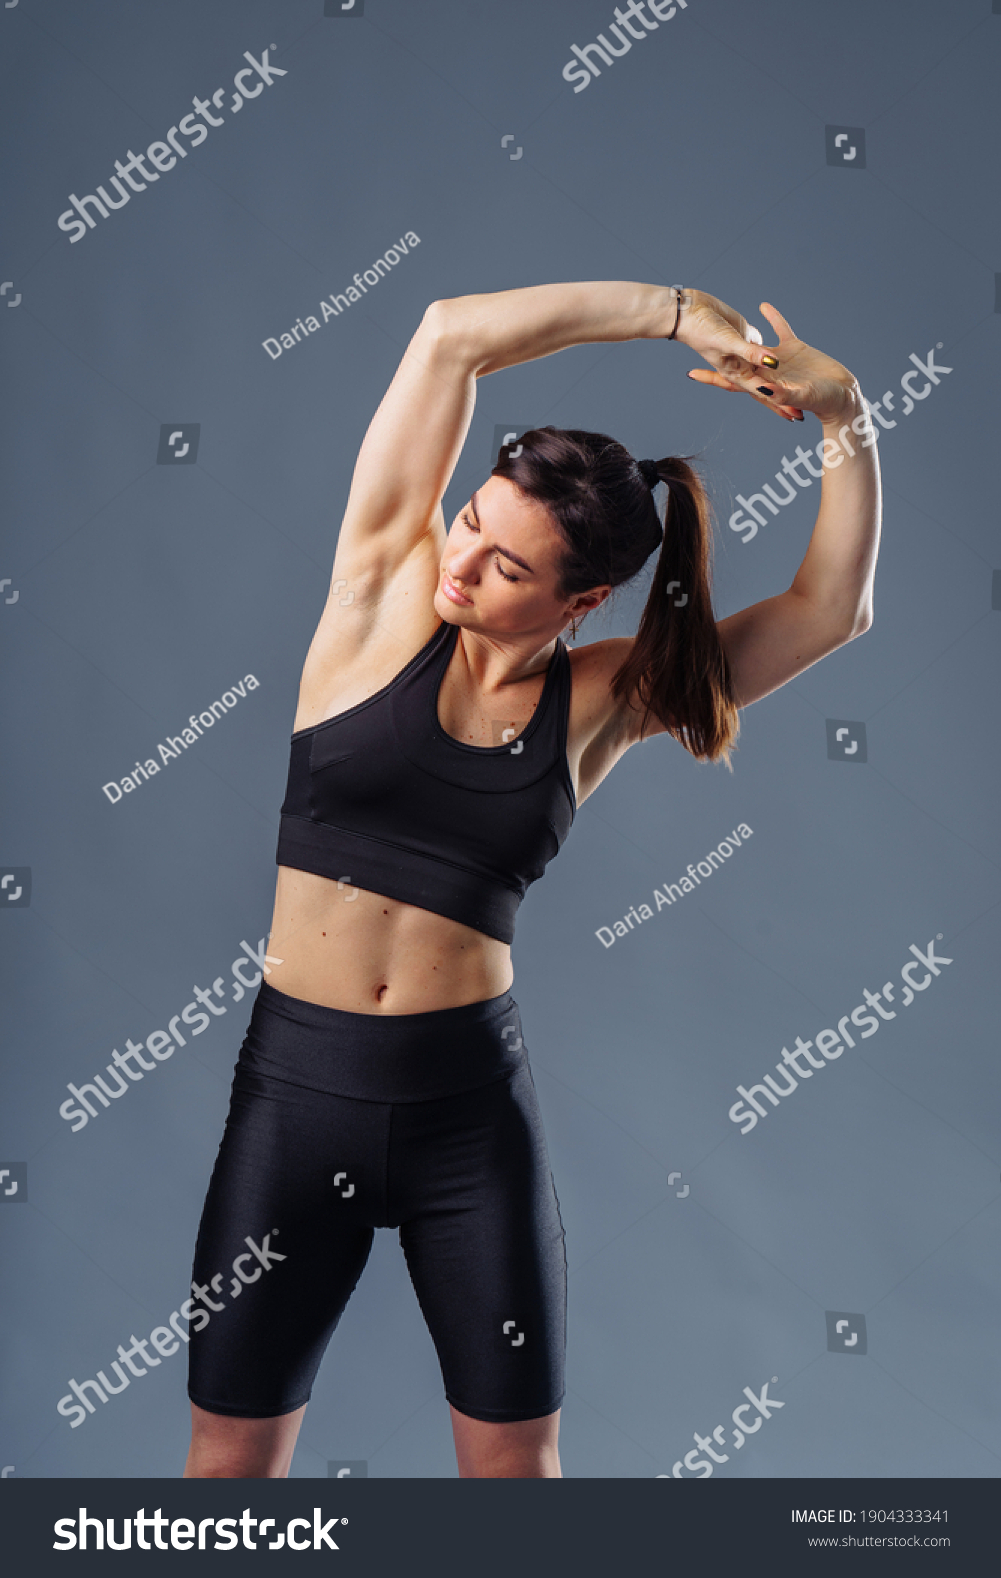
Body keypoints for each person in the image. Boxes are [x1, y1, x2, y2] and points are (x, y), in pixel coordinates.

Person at [182, 282, 880, 1479]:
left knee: (514, 1468)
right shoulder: (373, 605)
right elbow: (452, 333)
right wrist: (672, 313)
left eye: (507, 565)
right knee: (231, 1454)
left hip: (467, 1118)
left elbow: (831, 611)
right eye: (468, 523)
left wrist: (846, 417)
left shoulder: (604, 698)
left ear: (582, 601)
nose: (460, 564)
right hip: (297, 1097)